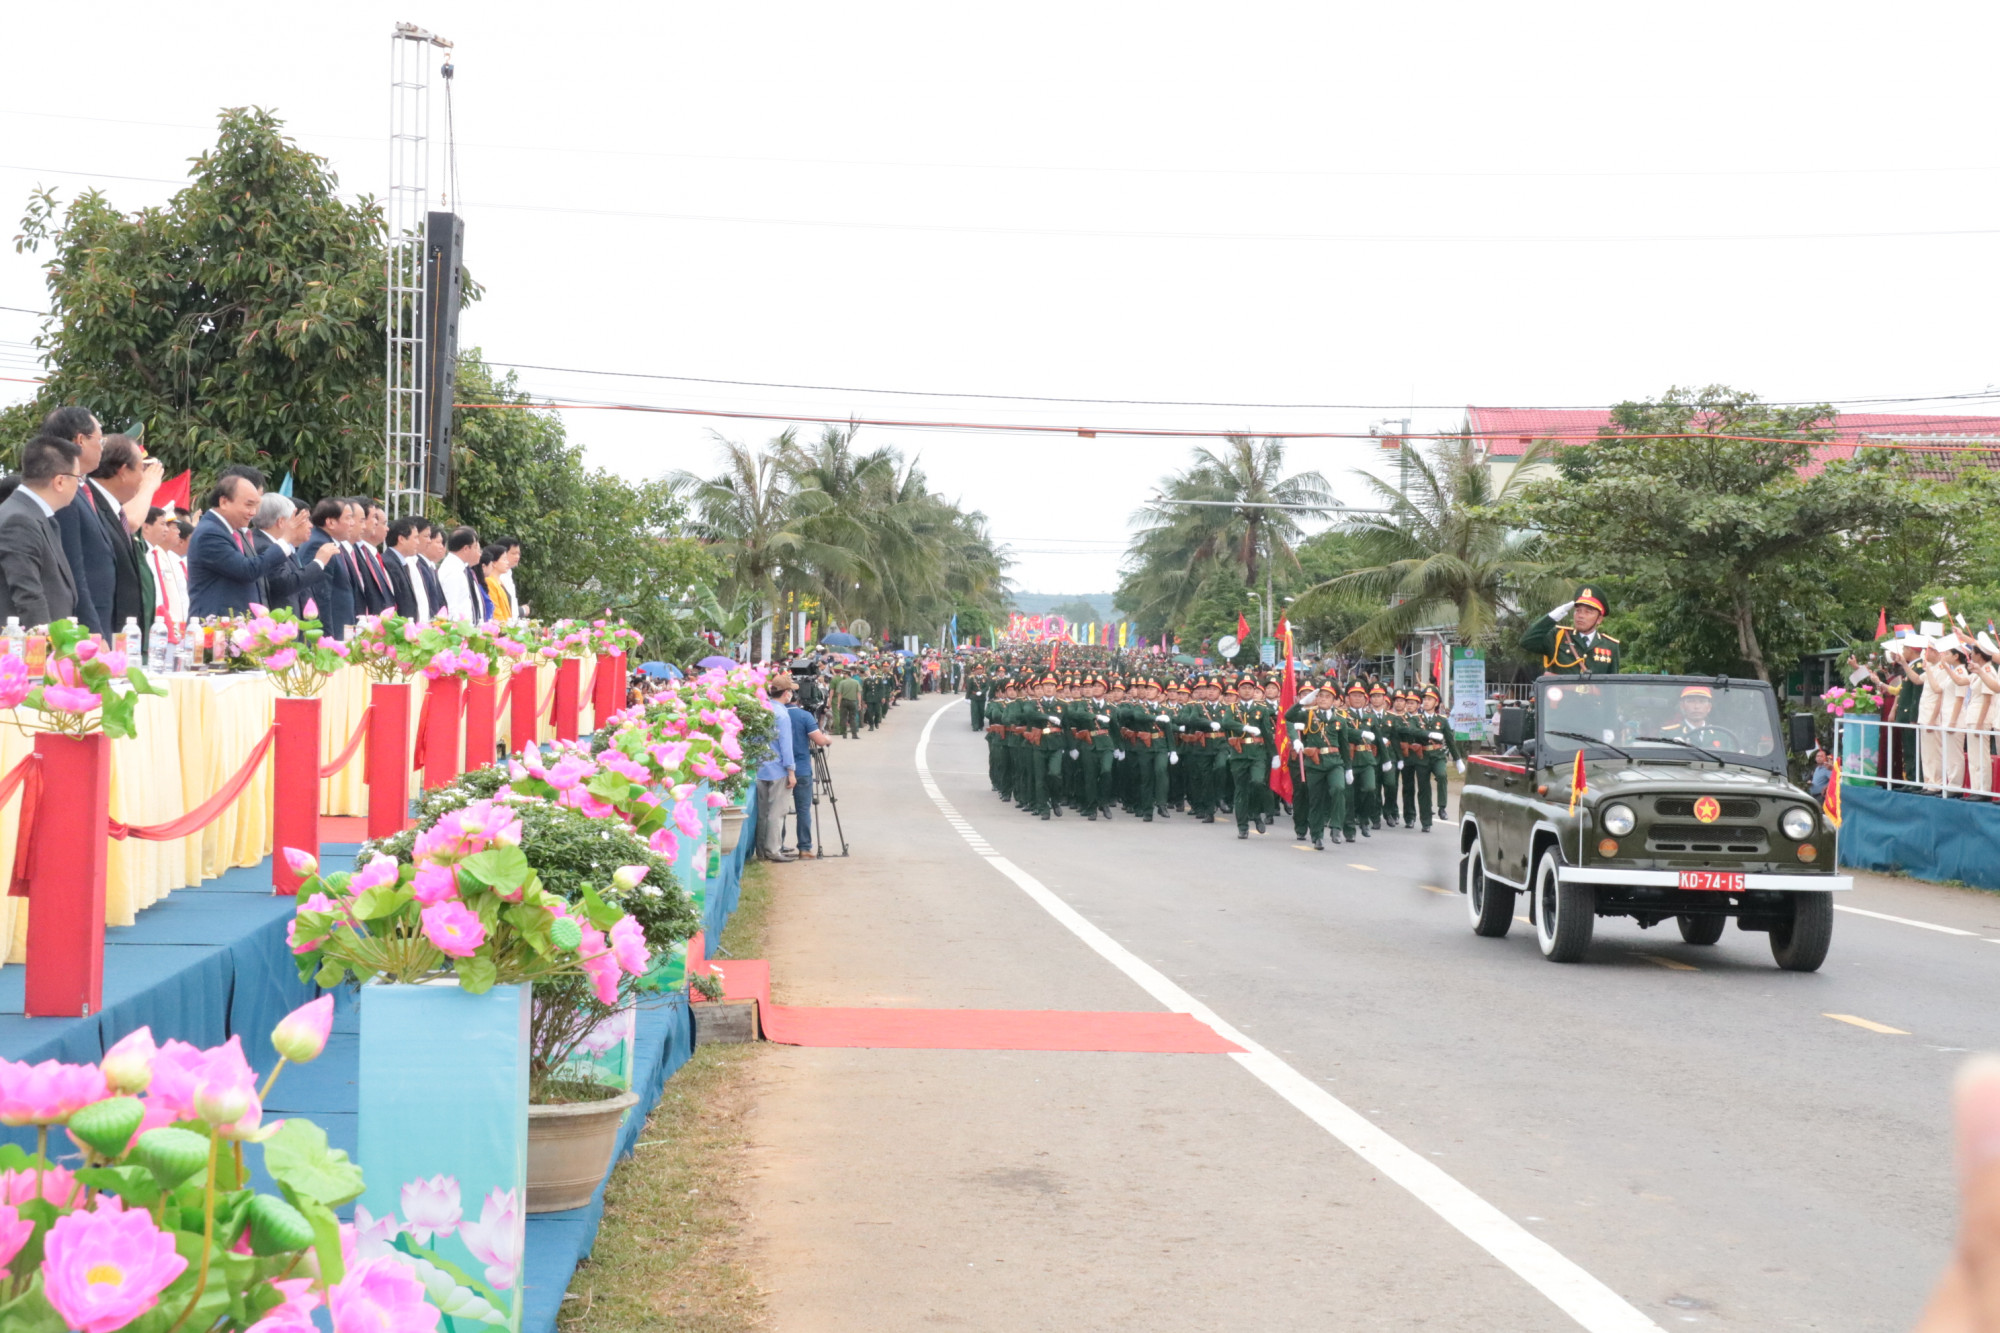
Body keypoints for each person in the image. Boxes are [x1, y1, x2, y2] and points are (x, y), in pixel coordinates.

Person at [187, 471, 300, 618]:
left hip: (235, 625)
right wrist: (285, 541)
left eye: (256, 506)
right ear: (224, 502)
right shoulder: (210, 533)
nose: (253, 512)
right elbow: (247, 570)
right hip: (217, 626)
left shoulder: (230, 531)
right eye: (248, 505)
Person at [0, 435, 83, 626]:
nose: (79, 484)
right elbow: (28, 597)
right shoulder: (18, 520)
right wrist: (46, 652)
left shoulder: (34, 515)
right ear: (60, 481)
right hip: (29, 650)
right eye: (79, 478)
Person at [1521, 585, 1623, 676]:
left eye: (1588, 612)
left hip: (1594, 697)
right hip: (1563, 696)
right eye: (1578, 611)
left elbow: (1612, 682)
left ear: (1599, 619)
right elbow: (1527, 641)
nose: (1581, 616)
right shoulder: (1558, 637)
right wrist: (1554, 616)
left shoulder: (1610, 646)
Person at [783, 682, 832, 858]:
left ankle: (777, 846)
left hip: (779, 770)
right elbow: (819, 740)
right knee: (803, 809)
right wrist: (827, 739)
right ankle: (804, 848)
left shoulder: (775, 714)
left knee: (779, 810)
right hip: (801, 769)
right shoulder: (804, 716)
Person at [301, 498, 364, 638]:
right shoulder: (318, 544)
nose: (352, 523)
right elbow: (321, 595)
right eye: (348, 518)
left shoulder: (332, 543)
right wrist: (327, 637)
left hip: (341, 629)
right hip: (331, 633)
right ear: (330, 522)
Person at [754, 672, 799, 863]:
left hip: (760, 766)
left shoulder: (761, 710)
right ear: (786, 693)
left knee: (763, 812)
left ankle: (762, 850)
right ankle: (773, 849)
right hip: (778, 768)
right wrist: (791, 771)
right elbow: (786, 745)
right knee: (777, 812)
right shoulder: (782, 714)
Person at [138, 506, 188, 633]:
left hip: (173, 627)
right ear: (146, 527)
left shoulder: (171, 557)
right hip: (154, 626)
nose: (178, 532)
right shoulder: (144, 554)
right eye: (163, 524)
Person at [383, 516, 437, 620]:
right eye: (415, 538)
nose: (418, 542)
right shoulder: (389, 563)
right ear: (401, 539)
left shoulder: (402, 562)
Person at [439, 526, 482, 622]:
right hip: (458, 631)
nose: (478, 552)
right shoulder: (452, 570)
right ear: (466, 549)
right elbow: (451, 608)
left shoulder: (460, 568)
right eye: (475, 547)